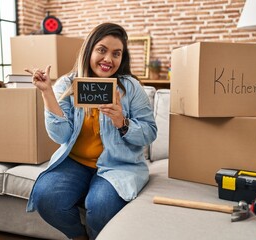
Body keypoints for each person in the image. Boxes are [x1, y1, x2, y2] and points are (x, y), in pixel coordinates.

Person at [25, 22, 157, 240]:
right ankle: (78, 237)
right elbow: (61, 136)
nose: (108, 59)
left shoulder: (131, 87)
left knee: (100, 206)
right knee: (45, 197)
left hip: (118, 165)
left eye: (116, 54)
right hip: (75, 163)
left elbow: (150, 132)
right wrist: (47, 93)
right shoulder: (67, 85)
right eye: (102, 50)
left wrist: (121, 121)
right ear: (89, 50)